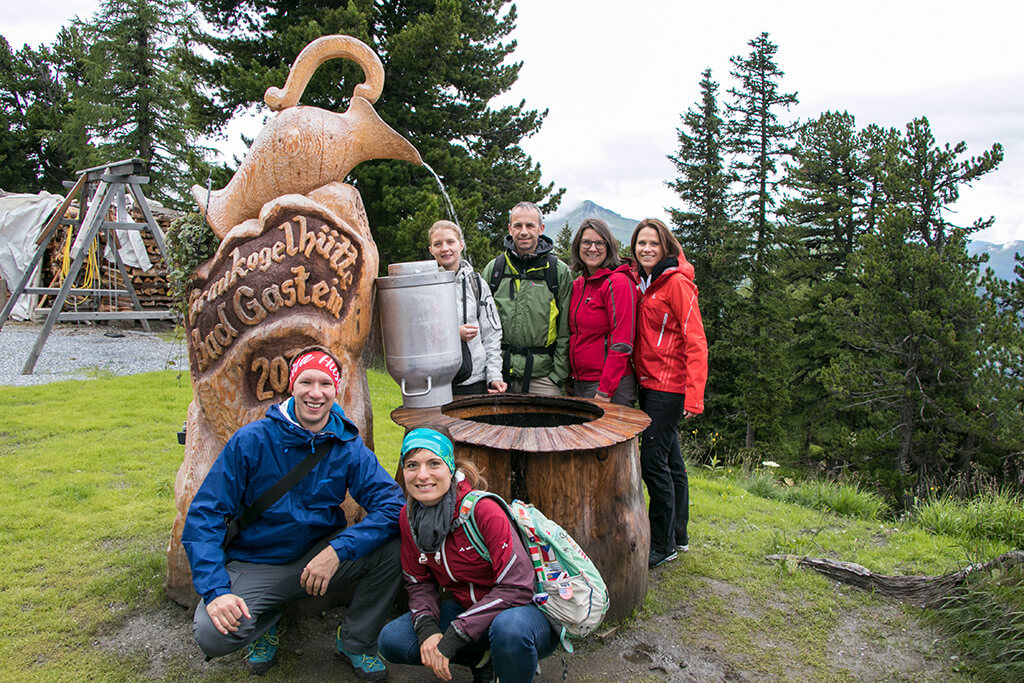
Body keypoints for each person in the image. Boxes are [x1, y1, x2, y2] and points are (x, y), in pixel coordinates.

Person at [181, 346, 405, 680]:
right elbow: (205, 516)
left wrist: (338, 550)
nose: (316, 393)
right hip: (257, 561)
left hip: (318, 555)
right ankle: (265, 622)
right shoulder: (252, 440)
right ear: (292, 386)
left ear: (337, 389)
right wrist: (215, 591)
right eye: (306, 382)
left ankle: (356, 641)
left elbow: (392, 504)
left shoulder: (346, 445)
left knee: (395, 549)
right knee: (213, 635)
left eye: (325, 384)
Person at [378, 426, 558, 682]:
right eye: (411, 465)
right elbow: (418, 582)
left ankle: (513, 665)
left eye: (433, 463)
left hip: (522, 615)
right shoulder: (409, 518)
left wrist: (454, 636)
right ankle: (484, 660)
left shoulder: (483, 510)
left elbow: (517, 588)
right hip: (468, 612)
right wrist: (428, 629)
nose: (422, 475)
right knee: (392, 640)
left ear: (450, 467)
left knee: (510, 631)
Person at [630, 218, 708, 569]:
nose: (646, 249)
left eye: (653, 244)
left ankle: (661, 545)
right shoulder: (645, 281)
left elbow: (696, 340)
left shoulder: (676, 284)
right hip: (649, 383)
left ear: (666, 247)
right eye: (641, 243)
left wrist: (694, 395)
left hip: (669, 387)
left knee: (653, 464)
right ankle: (678, 534)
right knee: (673, 462)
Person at [481, 201, 572, 396]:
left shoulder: (558, 272)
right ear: (509, 229)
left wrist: (557, 375)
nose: (524, 232)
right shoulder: (495, 269)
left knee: (545, 428)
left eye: (530, 226)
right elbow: (482, 323)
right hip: (500, 377)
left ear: (541, 229)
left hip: (543, 377)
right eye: (518, 225)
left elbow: (566, 329)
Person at [427, 220, 507, 395]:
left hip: (474, 381)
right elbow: (418, 333)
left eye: (450, 242)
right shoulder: (423, 287)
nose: (445, 248)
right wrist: (453, 334)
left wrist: (494, 376)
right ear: (431, 250)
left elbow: (491, 333)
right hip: (435, 382)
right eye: (437, 244)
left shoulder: (477, 284)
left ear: (461, 245)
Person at [567, 217, 639, 406]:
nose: (593, 248)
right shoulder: (578, 285)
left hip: (610, 388)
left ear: (609, 247)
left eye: (600, 243)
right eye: (587, 243)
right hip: (580, 384)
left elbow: (622, 342)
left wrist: (605, 391)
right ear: (577, 246)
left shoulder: (618, 283)